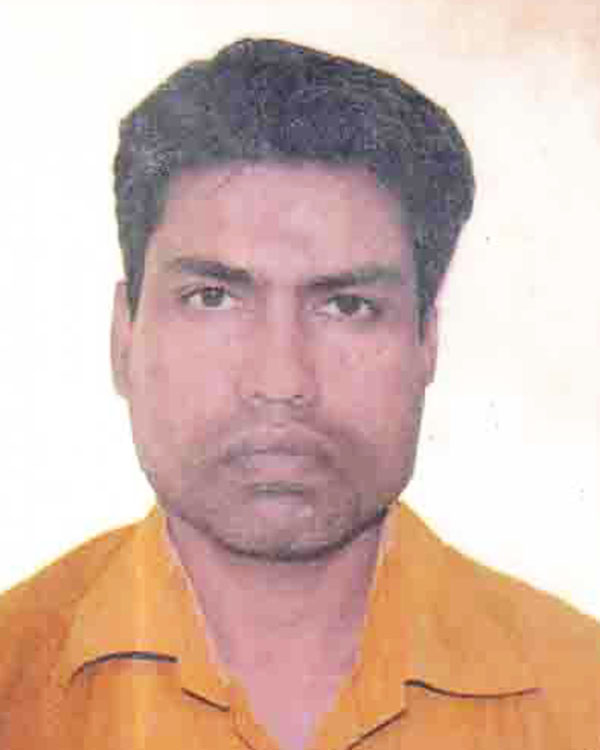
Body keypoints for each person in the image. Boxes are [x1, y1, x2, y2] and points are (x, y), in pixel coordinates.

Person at [0, 37, 598, 750]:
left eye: (346, 306)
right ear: (123, 338)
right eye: (213, 297)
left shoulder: (581, 696)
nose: (280, 382)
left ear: (427, 344)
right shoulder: (13, 681)